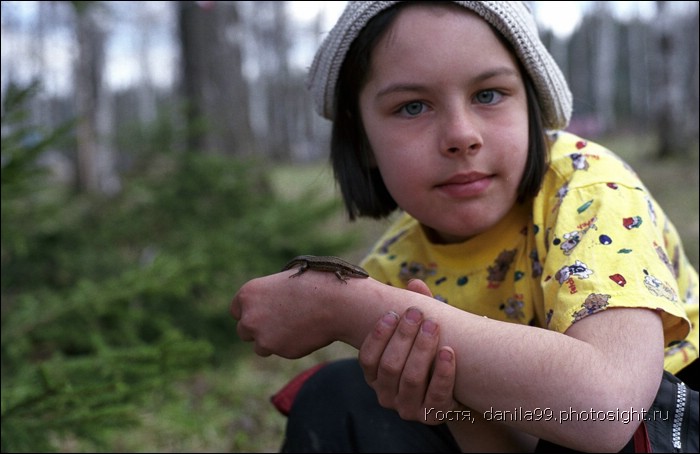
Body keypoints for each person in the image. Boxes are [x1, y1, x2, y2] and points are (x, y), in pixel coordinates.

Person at [231, 1, 699, 452]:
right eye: (413, 107)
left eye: (488, 95)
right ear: (363, 139)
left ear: (532, 106)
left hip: (668, 419)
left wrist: (342, 306)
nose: (460, 135)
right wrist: (453, 408)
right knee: (341, 396)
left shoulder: (586, 189)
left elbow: (607, 413)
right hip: (546, 437)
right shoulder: (396, 270)